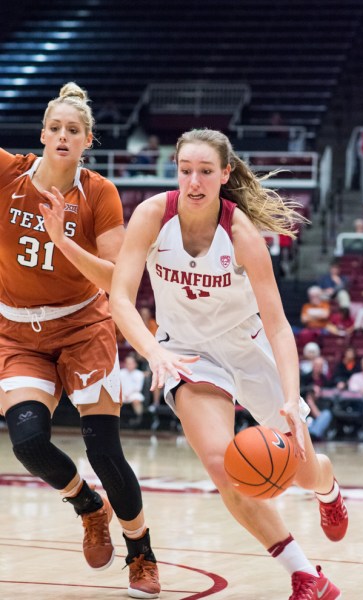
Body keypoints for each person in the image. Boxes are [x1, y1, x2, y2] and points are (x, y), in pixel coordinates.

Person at [110, 128, 346, 599]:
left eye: (204, 171)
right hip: (189, 354)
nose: (193, 181)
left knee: (298, 469)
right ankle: (306, 575)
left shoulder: (240, 233)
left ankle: (328, 487)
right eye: (185, 170)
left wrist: (294, 402)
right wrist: (154, 350)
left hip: (248, 348)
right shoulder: (153, 216)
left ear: (224, 174)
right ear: (175, 170)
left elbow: (279, 326)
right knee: (225, 466)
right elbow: (119, 298)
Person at [0, 83, 160, 599]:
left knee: (105, 450)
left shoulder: (98, 194)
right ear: (41, 134)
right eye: (55, 128)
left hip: (83, 328)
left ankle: (141, 553)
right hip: (18, 331)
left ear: (87, 140)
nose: (63, 136)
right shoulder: (9, 174)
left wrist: (62, 240)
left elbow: (116, 279)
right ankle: (89, 506)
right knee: (27, 443)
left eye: (73, 130)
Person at [120, 353, 146, 426]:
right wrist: (124, 394)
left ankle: (139, 419)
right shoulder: (120, 372)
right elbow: (119, 386)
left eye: (131, 363)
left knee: (136, 399)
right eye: (128, 363)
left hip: (134, 393)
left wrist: (129, 394)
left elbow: (138, 388)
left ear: (135, 364)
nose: (129, 365)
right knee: (117, 400)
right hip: (123, 394)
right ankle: (118, 419)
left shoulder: (139, 374)